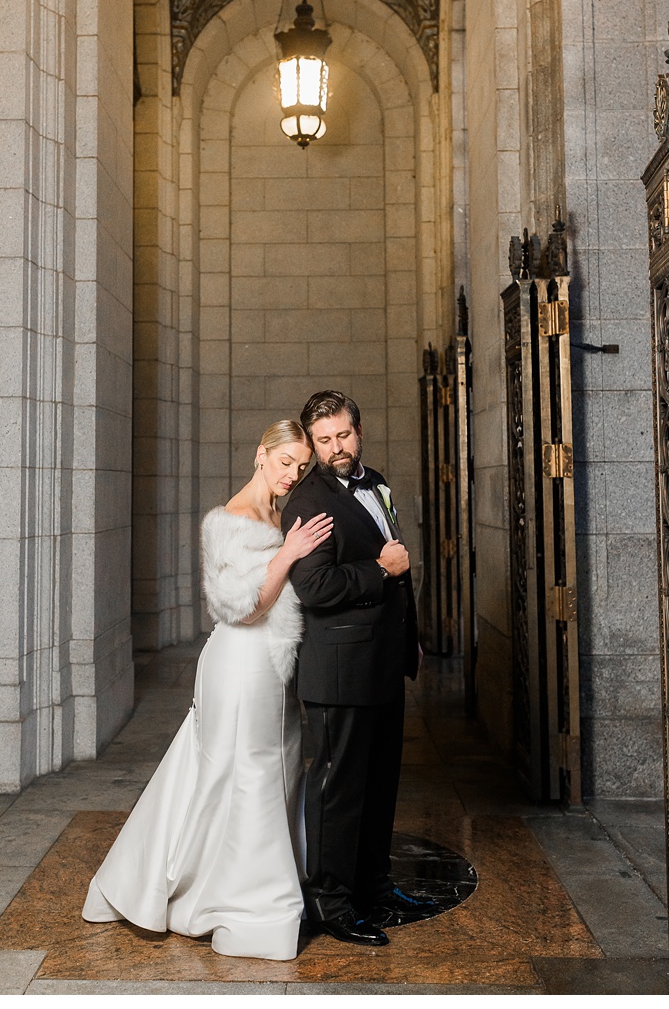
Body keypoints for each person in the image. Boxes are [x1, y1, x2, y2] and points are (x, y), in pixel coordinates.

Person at [82, 420, 332, 961]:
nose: (293, 474)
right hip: (241, 664)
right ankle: (247, 901)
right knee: (245, 773)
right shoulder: (230, 520)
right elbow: (243, 607)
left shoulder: (277, 512)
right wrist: (287, 555)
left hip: (273, 665)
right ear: (259, 455)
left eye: (301, 465)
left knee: (270, 766)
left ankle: (263, 878)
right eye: (284, 461)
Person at [281, 390, 441, 947]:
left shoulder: (375, 482)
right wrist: (378, 568)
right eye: (323, 441)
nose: (336, 448)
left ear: (359, 430)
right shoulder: (309, 501)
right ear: (311, 443)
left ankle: (374, 886)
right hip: (339, 670)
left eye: (343, 435)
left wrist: (409, 639)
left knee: (379, 784)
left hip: (381, 661)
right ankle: (331, 902)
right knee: (337, 791)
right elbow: (314, 587)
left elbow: (400, 568)